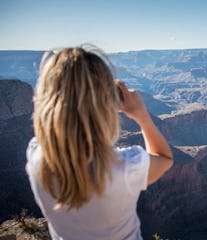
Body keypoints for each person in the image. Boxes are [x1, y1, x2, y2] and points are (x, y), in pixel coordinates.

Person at [26, 46, 173, 240]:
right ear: (104, 104)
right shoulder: (123, 168)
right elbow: (164, 158)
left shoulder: (36, 154)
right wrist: (141, 115)